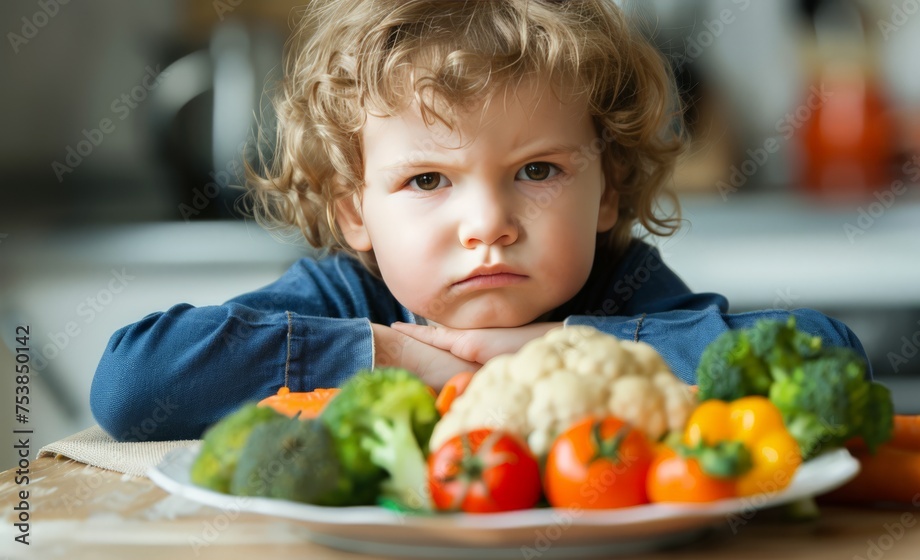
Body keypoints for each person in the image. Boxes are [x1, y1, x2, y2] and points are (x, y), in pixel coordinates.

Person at [91, 0, 869, 442]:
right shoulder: (345, 299)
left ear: (607, 190)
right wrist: (394, 355)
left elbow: (830, 359)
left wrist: (561, 353)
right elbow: (132, 384)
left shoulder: (625, 288)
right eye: (428, 179)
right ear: (354, 210)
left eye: (537, 171)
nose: (488, 224)